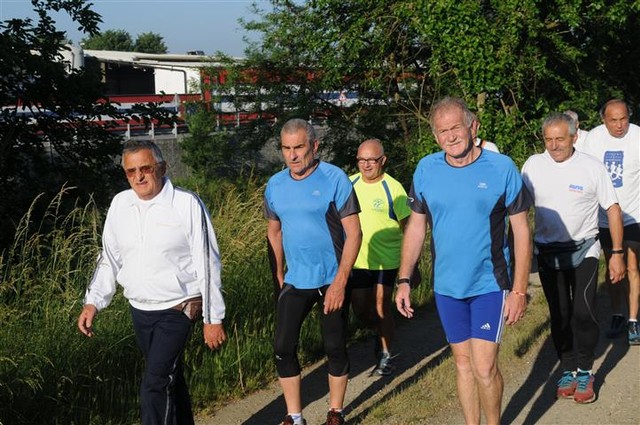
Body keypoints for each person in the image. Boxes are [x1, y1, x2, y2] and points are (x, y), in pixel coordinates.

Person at [395, 97, 532, 425]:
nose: (451, 136)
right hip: (447, 286)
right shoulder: (426, 169)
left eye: (456, 127)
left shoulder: (502, 168)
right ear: (435, 136)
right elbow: (416, 227)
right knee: (463, 364)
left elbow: (522, 232)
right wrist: (404, 279)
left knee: (484, 367)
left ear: (473, 127)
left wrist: (519, 290)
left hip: (489, 283)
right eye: (442, 131)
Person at [77, 140, 226, 425]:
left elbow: (208, 262)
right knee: (170, 379)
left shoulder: (186, 204)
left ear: (162, 167)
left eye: (145, 168)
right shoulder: (120, 204)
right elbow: (109, 257)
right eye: (130, 171)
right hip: (141, 310)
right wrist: (93, 302)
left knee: (154, 385)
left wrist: (213, 318)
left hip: (179, 308)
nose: (138, 177)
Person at [521, 112, 626, 403]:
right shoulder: (533, 165)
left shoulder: (591, 167)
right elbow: (519, 211)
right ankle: (568, 369)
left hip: (584, 249)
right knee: (560, 314)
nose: (554, 145)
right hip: (548, 253)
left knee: (583, 312)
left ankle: (585, 371)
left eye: (560, 139)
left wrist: (617, 253)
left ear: (574, 137)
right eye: (548, 139)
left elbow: (613, 209)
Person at [264, 118, 362, 425]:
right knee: (283, 347)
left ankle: (336, 412)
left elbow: (354, 234)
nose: (292, 156)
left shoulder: (335, 179)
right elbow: (274, 232)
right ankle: (294, 416)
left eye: (299, 147)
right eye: (286, 148)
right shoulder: (275, 185)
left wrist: (340, 282)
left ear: (315, 146)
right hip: (297, 279)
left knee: (334, 346)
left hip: (332, 278)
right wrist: (278, 275)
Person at [349, 138, 412, 376]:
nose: (366, 165)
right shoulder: (349, 184)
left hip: (387, 259)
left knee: (381, 304)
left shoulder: (393, 188)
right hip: (358, 259)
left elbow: (409, 228)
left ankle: (385, 355)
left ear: (383, 160)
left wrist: (411, 265)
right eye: (361, 160)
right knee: (360, 309)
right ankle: (382, 331)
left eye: (371, 160)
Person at [579, 99, 640, 345]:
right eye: (613, 120)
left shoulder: (637, 137)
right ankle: (617, 314)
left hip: (634, 213)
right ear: (603, 120)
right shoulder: (594, 139)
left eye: (624, 118)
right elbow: (585, 174)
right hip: (604, 216)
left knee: (632, 265)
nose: (619, 125)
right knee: (614, 267)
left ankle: (633, 320)